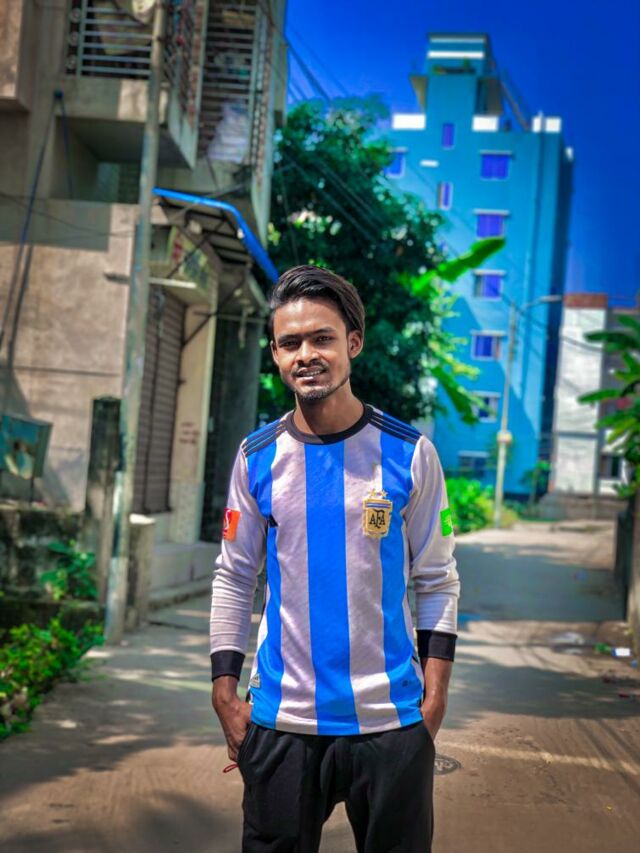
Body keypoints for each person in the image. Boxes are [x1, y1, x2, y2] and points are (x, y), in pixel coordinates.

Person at [210, 265, 460, 852]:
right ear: (276, 354)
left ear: (353, 342)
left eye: (321, 338)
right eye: (290, 342)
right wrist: (224, 690)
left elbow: (437, 578)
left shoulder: (410, 454)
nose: (306, 355)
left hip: (391, 722)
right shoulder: (256, 458)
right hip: (282, 722)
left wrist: (434, 698)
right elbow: (234, 575)